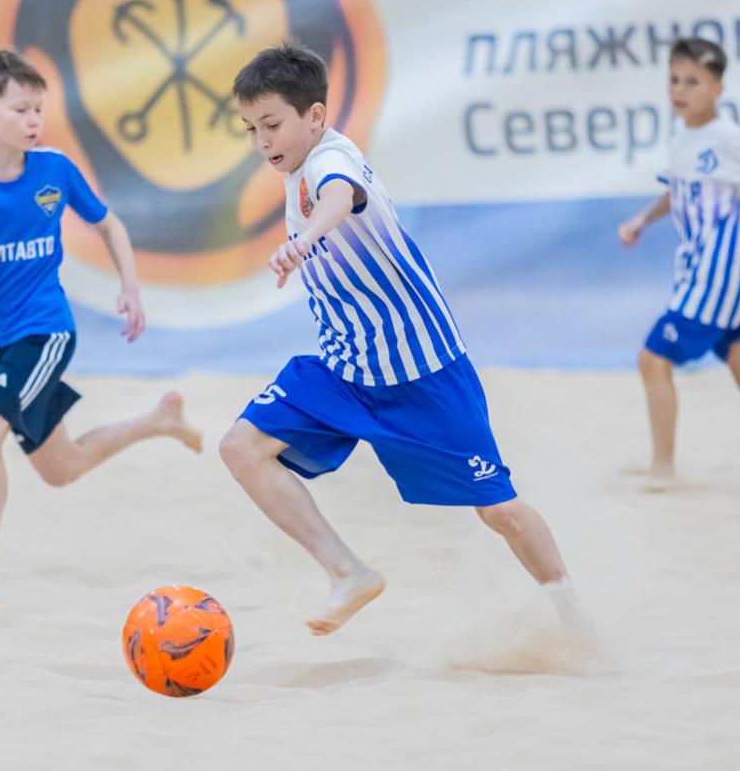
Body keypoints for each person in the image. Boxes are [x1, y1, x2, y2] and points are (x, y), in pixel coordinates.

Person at [218, 42, 587, 636]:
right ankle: (348, 573)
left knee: (501, 510)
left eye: (271, 124)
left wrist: (305, 240)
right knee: (241, 447)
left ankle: (574, 619)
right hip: (347, 367)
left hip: (424, 373)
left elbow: (339, 196)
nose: (261, 141)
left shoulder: (331, 159)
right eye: (251, 128)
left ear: (315, 116)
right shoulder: (297, 169)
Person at [0, 51, 201, 578]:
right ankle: (158, 421)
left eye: (39, 109)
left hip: (46, 330)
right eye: (21, 110)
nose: (35, 120)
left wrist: (130, 287)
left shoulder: (55, 169)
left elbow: (109, 225)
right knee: (62, 467)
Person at [618, 37, 740, 485]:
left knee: (652, 359)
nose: (679, 89)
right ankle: (660, 465)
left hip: (721, 276)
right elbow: (677, 190)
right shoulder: (684, 138)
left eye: (693, 81)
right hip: (701, 271)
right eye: (674, 79)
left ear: (717, 88)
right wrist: (641, 220)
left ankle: (663, 469)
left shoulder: (729, 140)